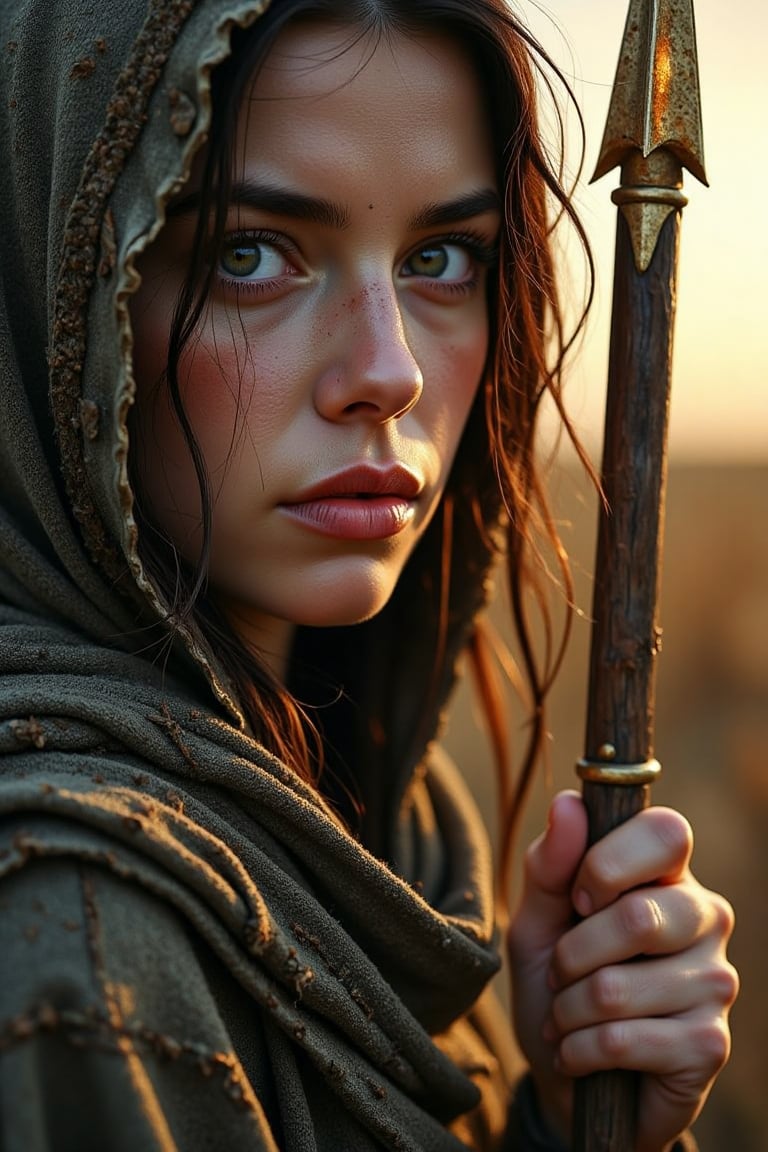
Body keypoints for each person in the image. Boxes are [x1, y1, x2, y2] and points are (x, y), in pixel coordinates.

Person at [0, 0, 737, 1149]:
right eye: (250, 255)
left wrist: (567, 1114)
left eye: (442, 259)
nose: (387, 371)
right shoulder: (82, 939)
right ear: (61, 285)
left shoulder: (387, 817)